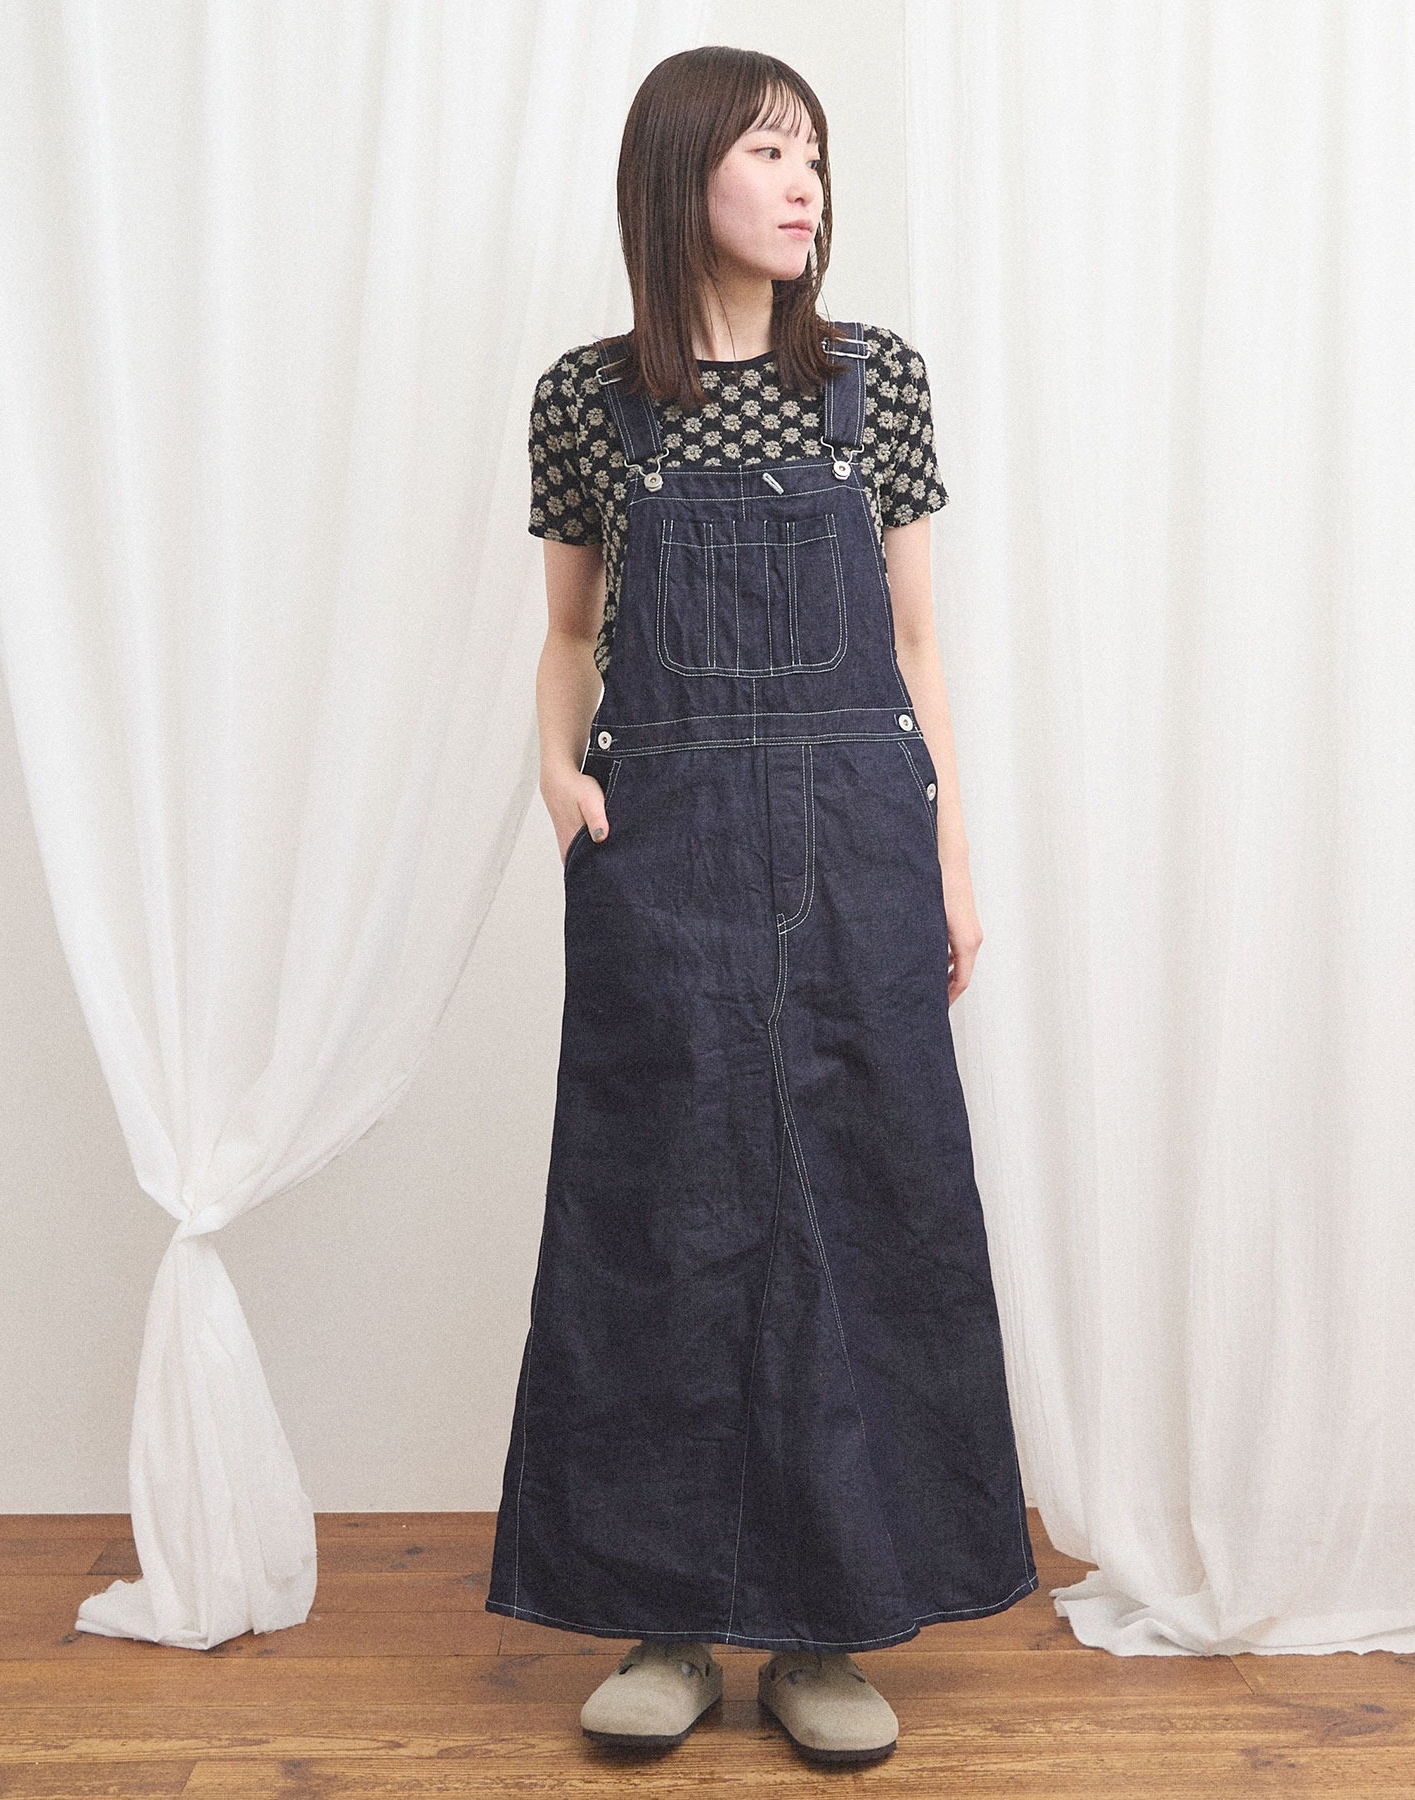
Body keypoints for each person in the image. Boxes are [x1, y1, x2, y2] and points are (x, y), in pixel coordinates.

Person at [485, 44, 1037, 1769]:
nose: (805, 185)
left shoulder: (878, 381)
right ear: (681, 177)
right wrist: (556, 777)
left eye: (814, 156)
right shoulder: (587, 400)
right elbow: (568, 632)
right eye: (769, 153)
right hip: (663, 850)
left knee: (862, 1211)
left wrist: (948, 862)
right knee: (659, 1219)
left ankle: (821, 1629)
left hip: (858, 840)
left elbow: (917, 644)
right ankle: (663, 1622)